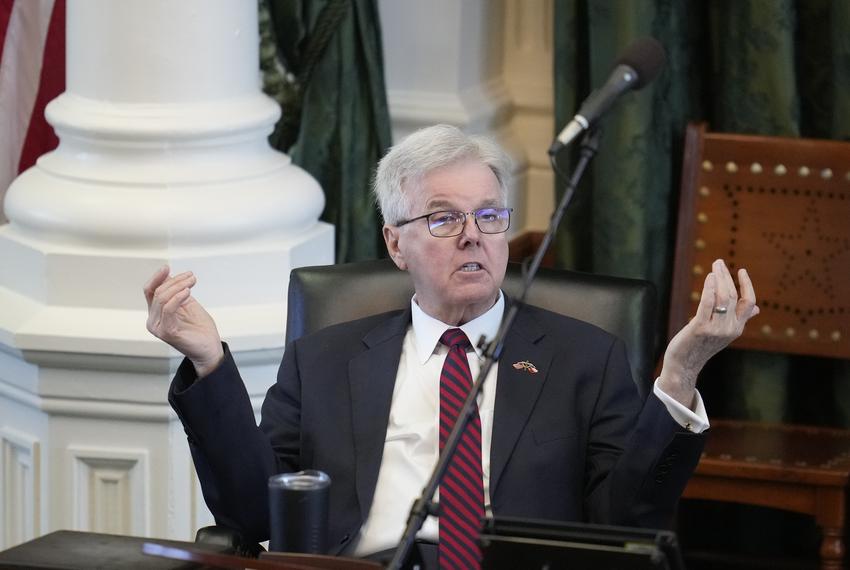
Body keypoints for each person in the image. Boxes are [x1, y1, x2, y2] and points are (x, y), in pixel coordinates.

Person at [144, 124, 759, 568]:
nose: (473, 236)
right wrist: (209, 363)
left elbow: (626, 523)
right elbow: (255, 516)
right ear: (395, 243)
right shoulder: (324, 359)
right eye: (443, 218)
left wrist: (679, 376)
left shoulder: (583, 357)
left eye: (490, 216)